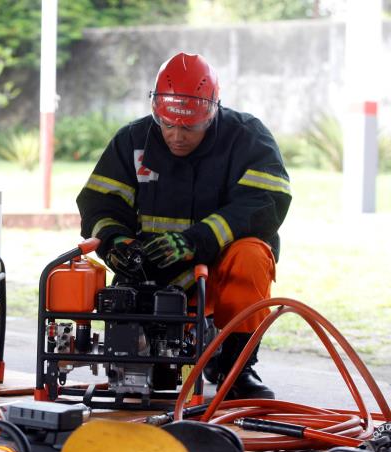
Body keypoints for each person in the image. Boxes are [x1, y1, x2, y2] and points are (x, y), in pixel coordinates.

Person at [77, 52, 291, 400]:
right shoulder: (132, 140)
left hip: (218, 277)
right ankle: (141, 362)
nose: (176, 136)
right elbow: (100, 203)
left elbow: (265, 204)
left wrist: (196, 240)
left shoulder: (247, 138)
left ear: (212, 112)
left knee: (251, 255)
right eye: (167, 124)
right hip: (150, 274)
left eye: (189, 127)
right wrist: (116, 243)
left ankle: (235, 369)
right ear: (155, 111)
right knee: (139, 357)